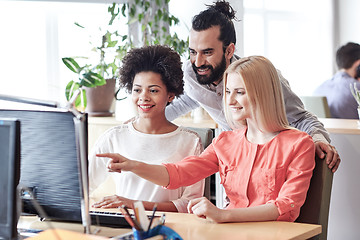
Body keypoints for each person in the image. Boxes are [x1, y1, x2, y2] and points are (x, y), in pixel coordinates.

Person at [98, 56, 315, 223]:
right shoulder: (225, 142)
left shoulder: (299, 144)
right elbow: (179, 173)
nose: (229, 100)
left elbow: (286, 206)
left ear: (263, 93)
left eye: (239, 92)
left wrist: (222, 215)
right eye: (228, 91)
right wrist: (133, 165)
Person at [164, 0, 340, 172]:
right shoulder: (191, 73)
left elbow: (301, 118)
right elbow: (191, 98)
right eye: (193, 52)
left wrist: (318, 139)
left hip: (270, 164)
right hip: (233, 160)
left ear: (229, 50)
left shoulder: (262, 77)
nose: (198, 62)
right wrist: (146, 120)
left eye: (207, 52)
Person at [89, 45, 204, 213]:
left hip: (171, 229)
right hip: (125, 227)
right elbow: (82, 186)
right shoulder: (114, 138)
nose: (143, 97)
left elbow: (190, 204)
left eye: (153, 90)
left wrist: (135, 205)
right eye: (137, 90)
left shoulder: (190, 142)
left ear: (170, 95)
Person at [314, 42, 360, 119]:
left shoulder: (319, 89)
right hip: (352, 130)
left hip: (325, 131)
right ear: (358, 63)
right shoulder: (356, 87)